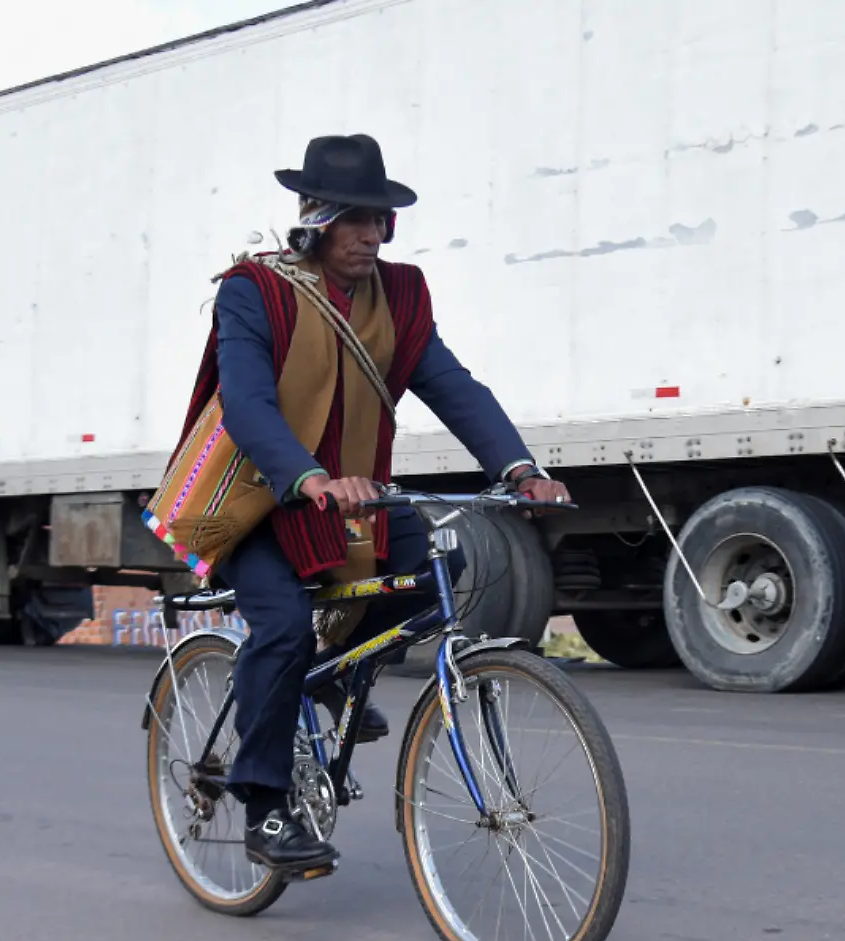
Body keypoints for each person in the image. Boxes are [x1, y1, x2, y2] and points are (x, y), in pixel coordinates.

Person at [166, 134, 571, 872]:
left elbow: (453, 386)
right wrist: (307, 477)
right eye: (354, 219)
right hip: (263, 499)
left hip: (352, 504)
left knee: (418, 579)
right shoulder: (255, 292)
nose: (371, 234)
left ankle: (335, 675)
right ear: (315, 216)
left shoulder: (402, 296)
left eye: (381, 219)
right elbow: (250, 404)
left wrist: (519, 468)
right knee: (283, 628)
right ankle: (266, 809)